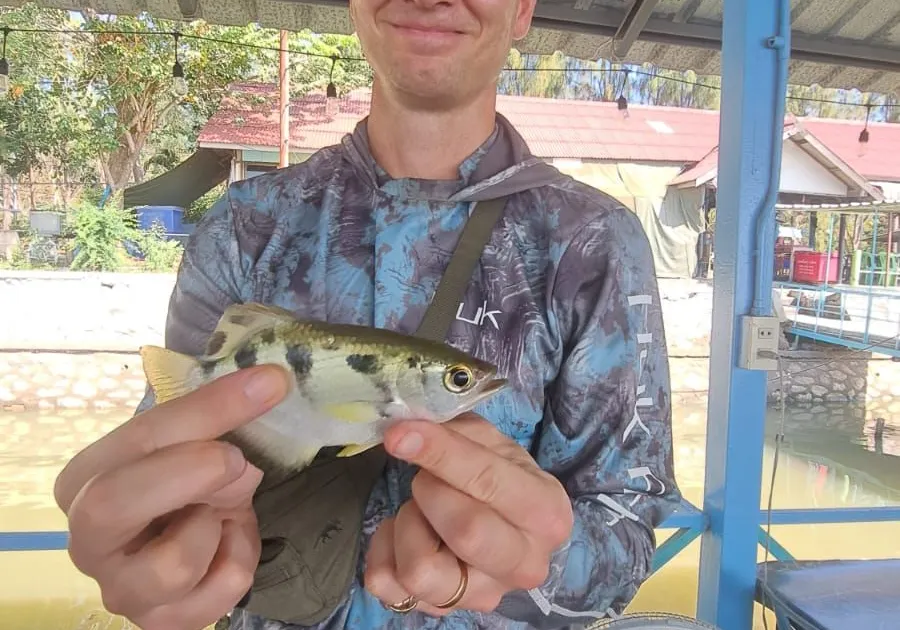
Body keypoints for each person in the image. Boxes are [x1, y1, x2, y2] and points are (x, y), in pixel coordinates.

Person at [53, 0, 681, 626]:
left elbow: (626, 530)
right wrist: (163, 545)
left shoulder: (595, 242)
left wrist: (539, 555)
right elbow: (175, 445)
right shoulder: (244, 225)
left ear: (522, 9)